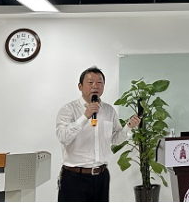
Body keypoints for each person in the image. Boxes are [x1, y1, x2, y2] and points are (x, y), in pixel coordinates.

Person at [56, 66, 141, 202]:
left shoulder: (109, 110)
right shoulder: (68, 110)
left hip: (101, 176)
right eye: (90, 82)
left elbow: (115, 139)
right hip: (74, 177)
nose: (95, 86)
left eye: (99, 82)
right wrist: (85, 116)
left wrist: (128, 127)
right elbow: (63, 137)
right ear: (80, 86)